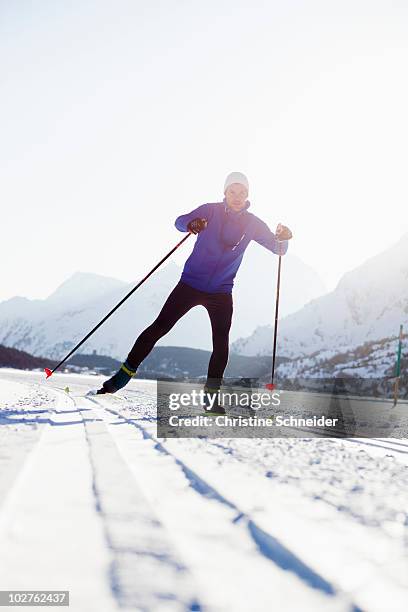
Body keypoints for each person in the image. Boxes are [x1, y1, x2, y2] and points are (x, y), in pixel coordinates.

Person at [97, 172, 292, 413]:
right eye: (233, 192)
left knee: (221, 345)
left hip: (221, 291)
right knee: (158, 328)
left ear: (248, 195)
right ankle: (120, 379)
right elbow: (179, 222)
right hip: (190, 284)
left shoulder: (252, 223)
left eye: (242, 193)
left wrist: (284, 238)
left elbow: (278, 249)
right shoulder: (210, 211)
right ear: (225, 193)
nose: (237, 197)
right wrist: (192, 224)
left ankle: (210, 400)